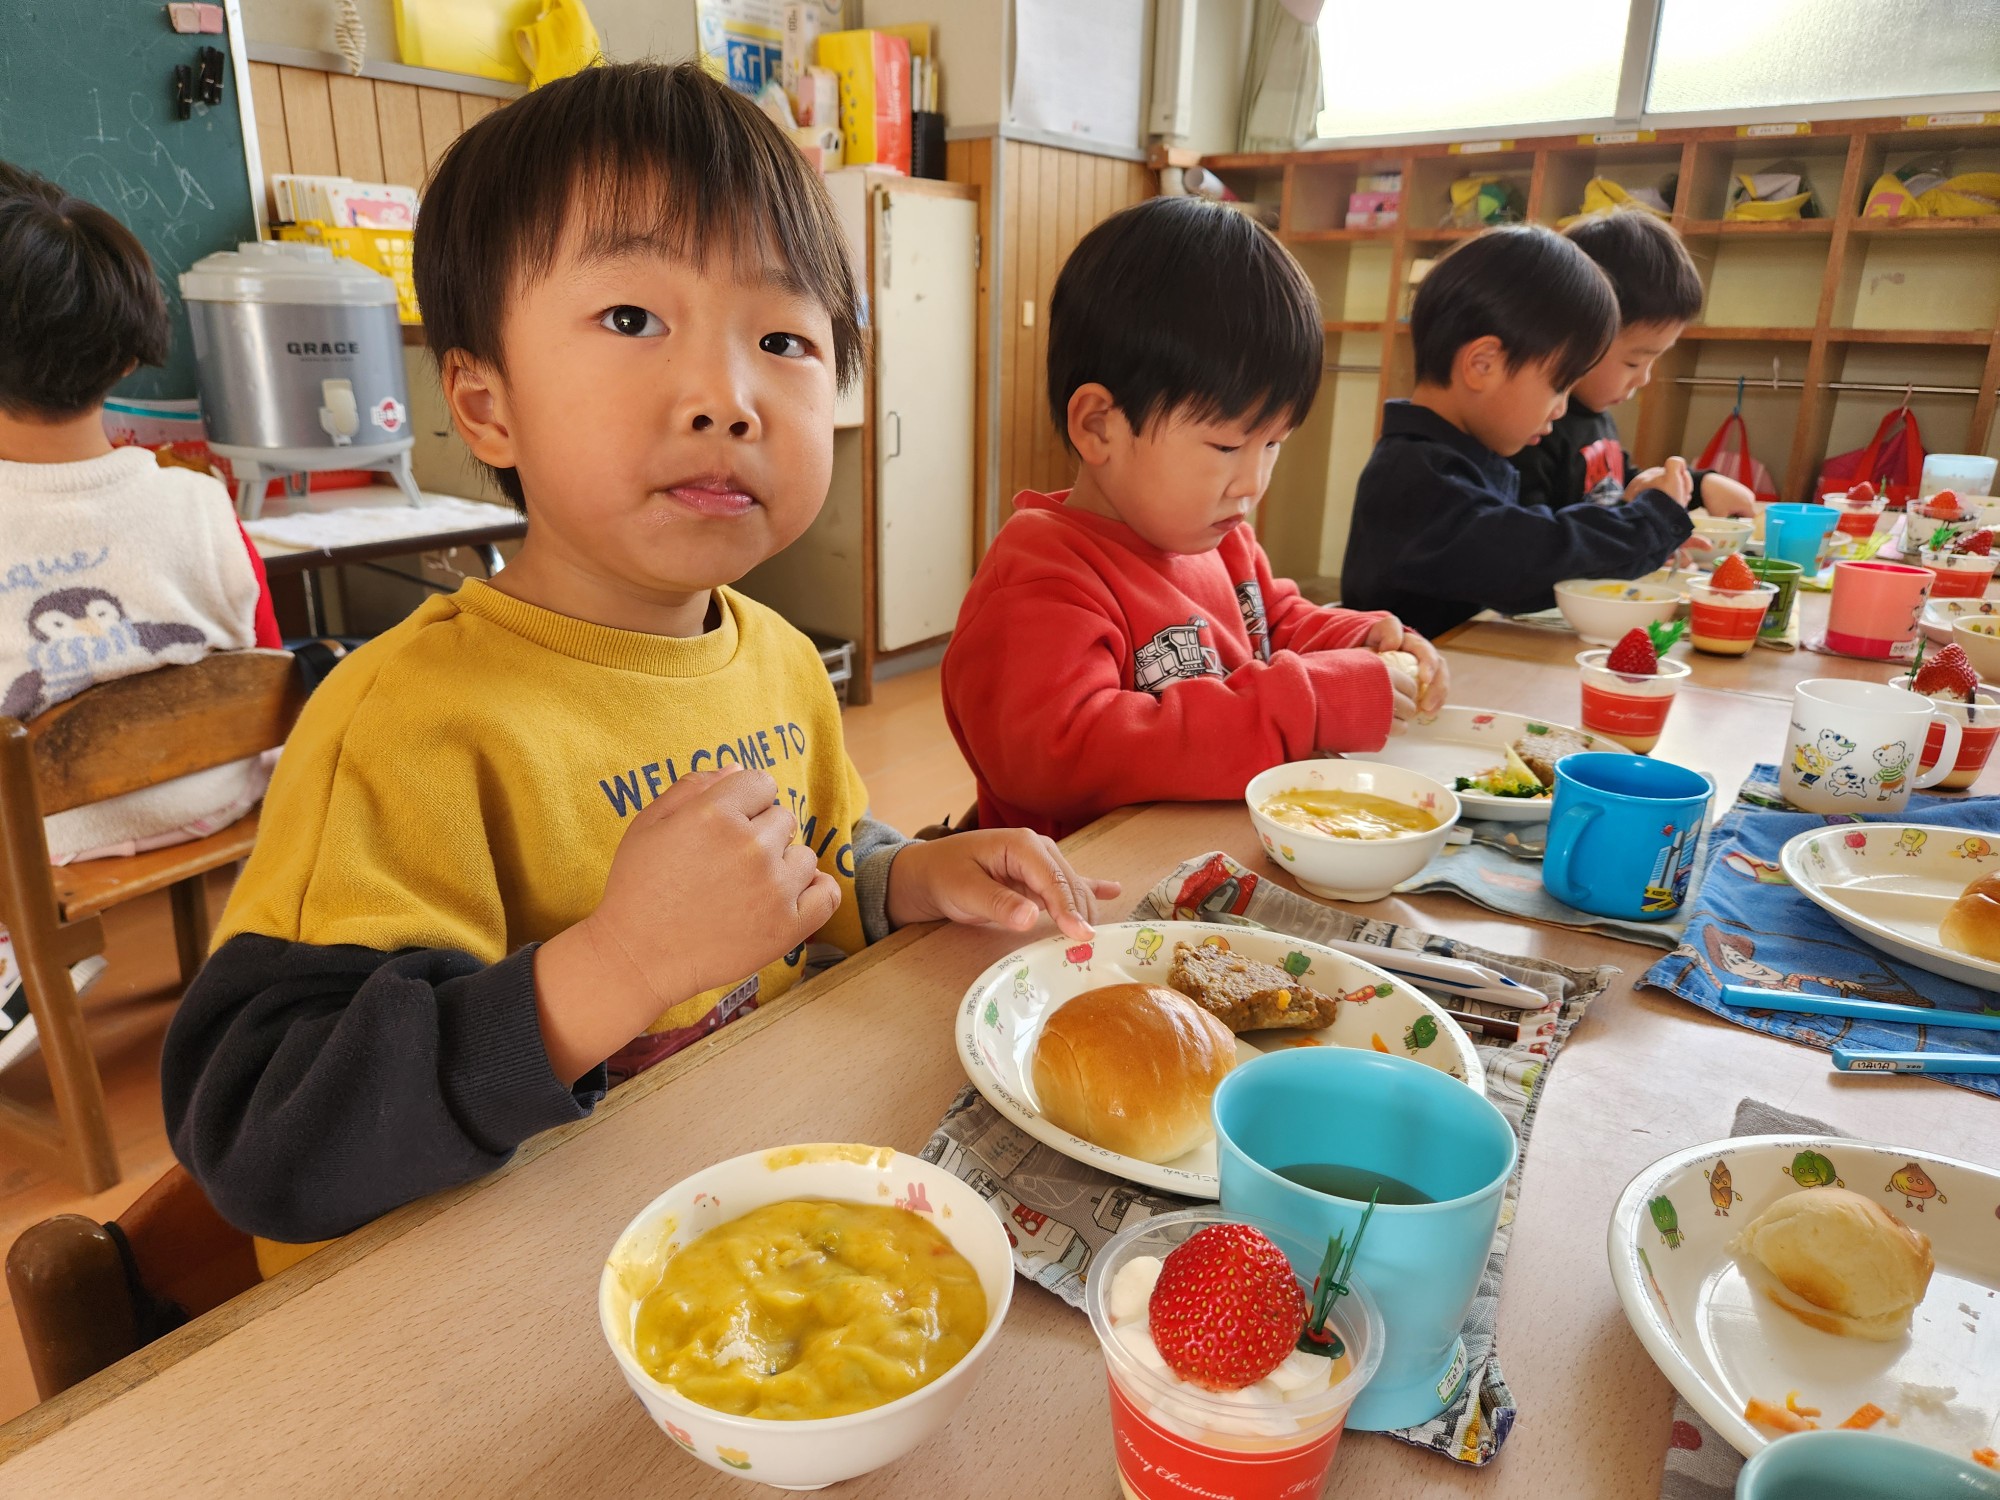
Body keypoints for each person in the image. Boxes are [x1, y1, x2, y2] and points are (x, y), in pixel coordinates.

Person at [162, 62, 1117, 1259]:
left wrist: (898, 878)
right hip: (485, 1292)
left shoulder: (778, 660)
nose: (726, 397)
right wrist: (614, 966)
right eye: (630, 320)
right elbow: (260, 1132)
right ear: (485, 403)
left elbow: (807, 863)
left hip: (729, 1225)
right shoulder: (400, 727)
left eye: (782, 337)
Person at [941, 196, 1446, 843]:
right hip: (1098, 885)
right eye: (1227, 446)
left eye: (1273, 444)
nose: (1253, 482)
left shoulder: (1222, 541)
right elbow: (1058, 754)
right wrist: (1306, 704)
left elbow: (1275, 626)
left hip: (1214, 854)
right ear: (1099, 426)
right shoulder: (1044, 579)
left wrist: (1362, 641)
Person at [0, 160, 281, 863]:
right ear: (128, 357)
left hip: (37, 848)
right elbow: (269, 666)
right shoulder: (202, 502)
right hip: (214, 804)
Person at [1340, 225, 1752, 640]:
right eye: (1559, 386)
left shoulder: (1466, 455)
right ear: (1482, 365)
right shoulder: (1413, 477)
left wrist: (1648, 526)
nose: (1562, 408)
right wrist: (1647, 524)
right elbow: (1530, 556)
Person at [1511, 209, 1757, 516]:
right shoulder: (1534, 429)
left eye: (1653, 361)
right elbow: (1537, 533)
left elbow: (1619, 487)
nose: (1644, 379)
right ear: (1574, 337)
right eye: (1633, 363)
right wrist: (1635, 520)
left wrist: (1696, 484)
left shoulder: (1596, 416)